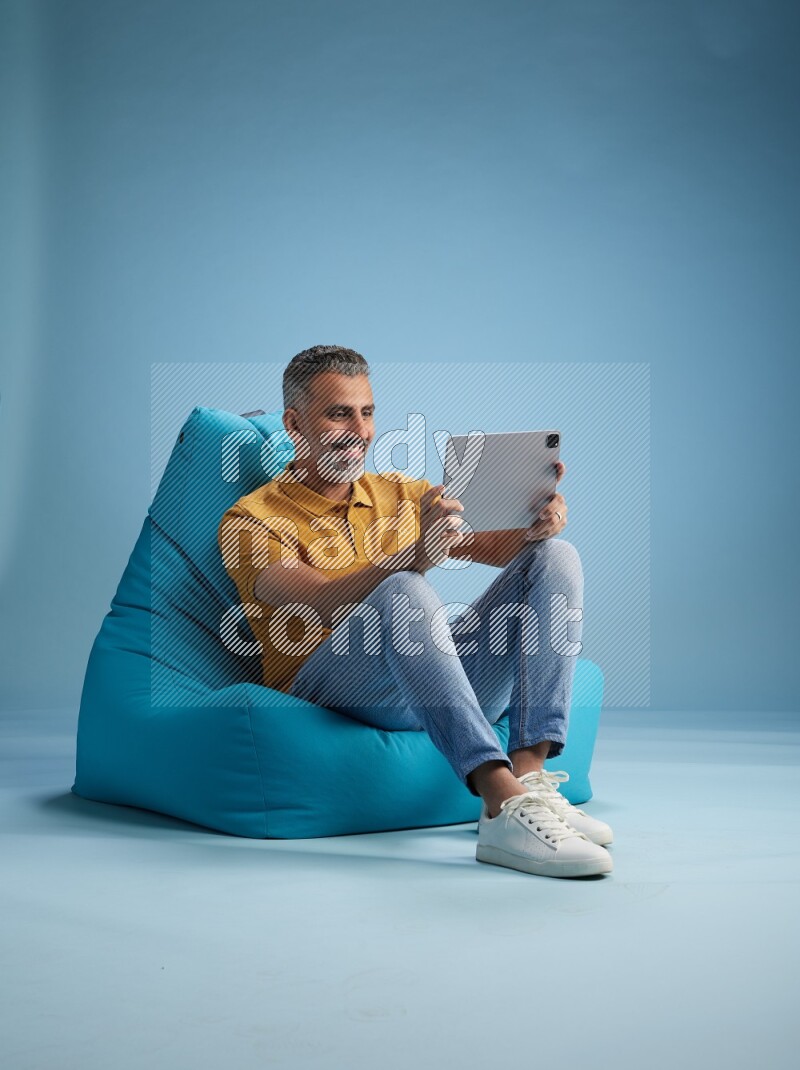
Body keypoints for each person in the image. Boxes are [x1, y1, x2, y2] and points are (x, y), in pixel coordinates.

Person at [218, 345, 613, 879]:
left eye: (367, 412)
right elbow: (313, 593)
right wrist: (408, 559)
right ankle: (499, 803)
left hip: (422, 676)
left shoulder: (400, 493)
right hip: (331, 687)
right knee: (404, 588)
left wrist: (532, 525)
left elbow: (494, 548)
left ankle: (531, 782)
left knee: (554, 557)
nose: (359, 430)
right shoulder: (250, 517)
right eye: (339, 413)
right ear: (295, 422)